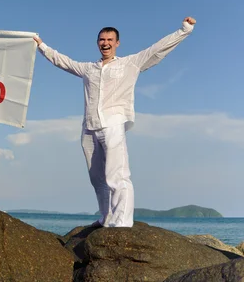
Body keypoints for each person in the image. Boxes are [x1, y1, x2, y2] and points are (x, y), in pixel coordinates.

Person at [34, 17, 196, 227]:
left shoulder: (131, 63)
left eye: (110, 39)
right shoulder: (88, 69)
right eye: (102, 40)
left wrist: (184, 30)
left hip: (113, 124)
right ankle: (106, 217)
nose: (105, 43)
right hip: (89, 127)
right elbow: (61, 60)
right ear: (97, 43)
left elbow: (158, 49)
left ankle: (122, 222)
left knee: (116, 175)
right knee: (97, 178)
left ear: (117, 43)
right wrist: (41, 45)